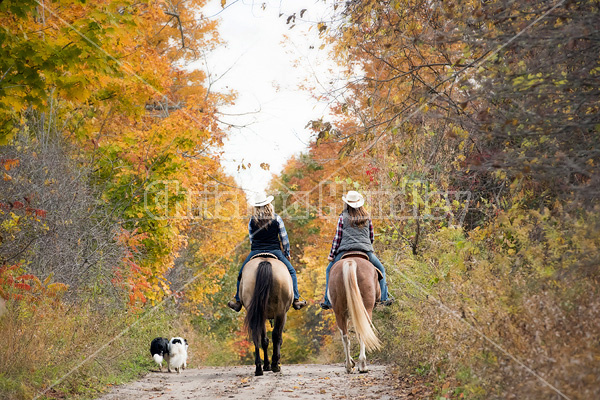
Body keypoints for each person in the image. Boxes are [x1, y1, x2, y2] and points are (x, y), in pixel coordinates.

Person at [228, 193, 307, 312]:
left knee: (241, 274)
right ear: (268, 205)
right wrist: (286, 253)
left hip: (256, 250)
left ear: (256, 207)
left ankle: (238, 301)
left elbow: (251, 239)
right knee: (291, 272)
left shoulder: (252, 221)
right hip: (275, 251)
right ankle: (296, 299)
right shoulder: (277, 218)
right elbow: (284, 238)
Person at [320, 190, 393, 310]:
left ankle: (328, 301)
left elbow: (337, 238)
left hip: (345, 251)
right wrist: (367, 247)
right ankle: (384, 299)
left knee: (329, 270)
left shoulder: (342, 217)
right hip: (365, 251)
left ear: (347, 203)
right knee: (381, 269)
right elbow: (371, 237)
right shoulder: (367, 217)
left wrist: (332, 255)